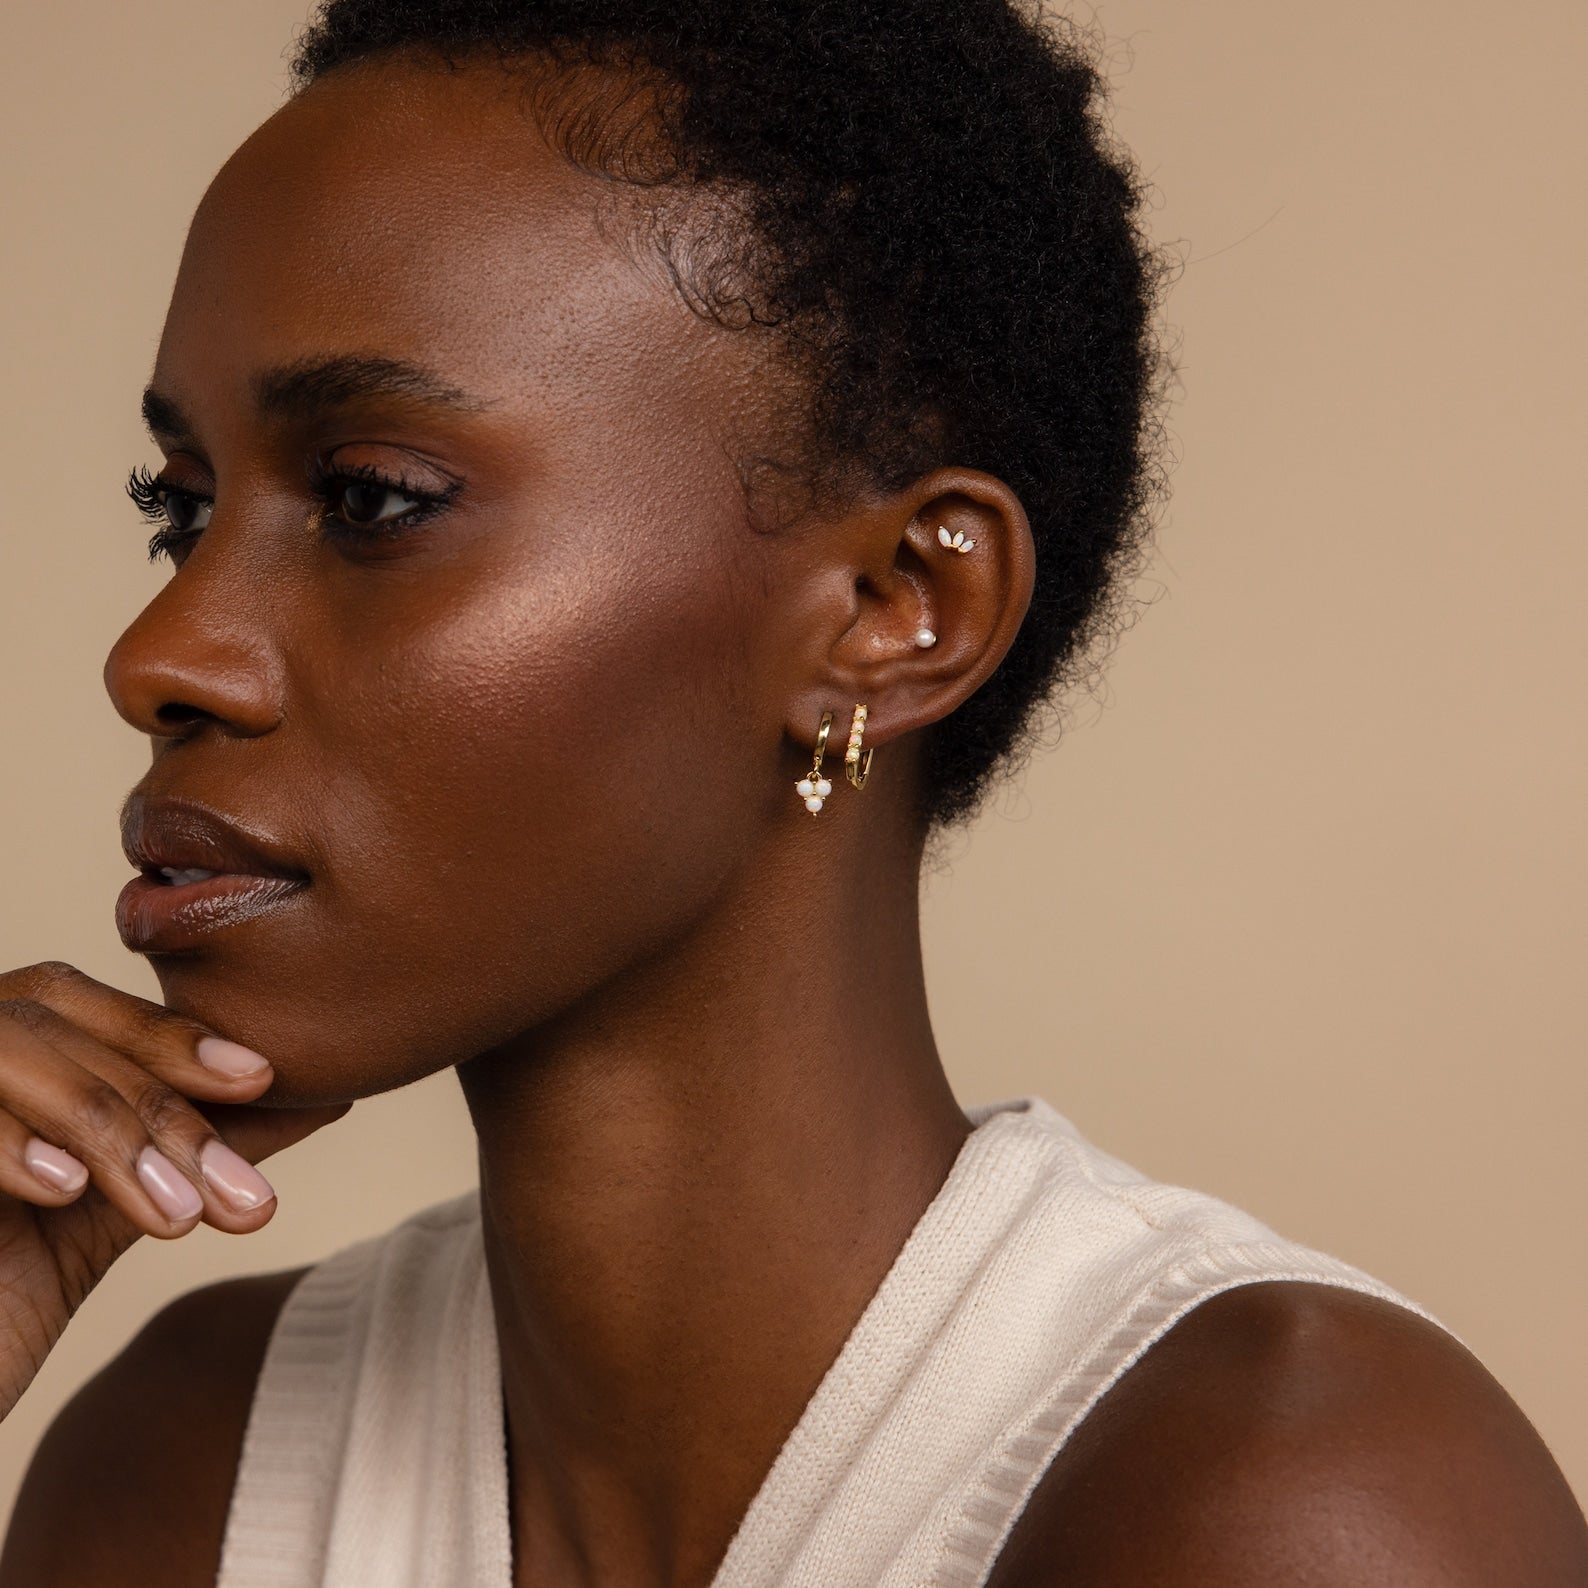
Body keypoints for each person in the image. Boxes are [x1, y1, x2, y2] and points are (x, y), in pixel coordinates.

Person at [1, 1, 1584, 1583]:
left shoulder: (1288, 1506)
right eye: (180, 512)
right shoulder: (182, 1473)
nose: (165, 653)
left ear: (898, 607)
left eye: (372, 500)